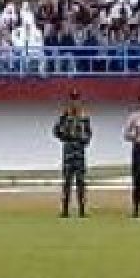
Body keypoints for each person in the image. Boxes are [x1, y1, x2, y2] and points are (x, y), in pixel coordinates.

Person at [53, 89, 92, 218]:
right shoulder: (65, 116)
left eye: (77, 99)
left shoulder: (84, 117)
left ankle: (82, 210)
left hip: (79, 151)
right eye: (73, 99)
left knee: (81, 182)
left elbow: (89, 133)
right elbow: (56, 131)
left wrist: (84, 141)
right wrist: (65, 137)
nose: (75, 102)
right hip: (68, 151)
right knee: (67, 182)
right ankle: (65, 210)